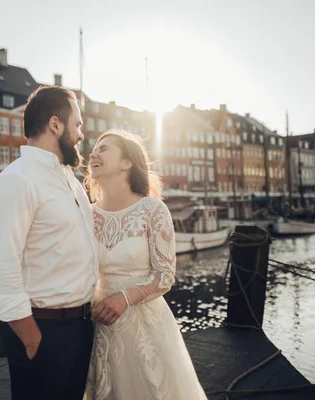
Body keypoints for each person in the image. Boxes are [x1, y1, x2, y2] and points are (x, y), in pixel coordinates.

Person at [0, 86, 99, 400]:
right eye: (77, 124)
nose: (81, 134)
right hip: (44, 331)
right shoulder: (16, 181)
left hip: (80, 327)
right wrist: (31, 337)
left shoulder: (70, 182)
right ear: (55, 125)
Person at [83, 130, 207, 400]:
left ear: (127, 163)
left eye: (103, 149)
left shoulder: (152, 210)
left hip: (144, 328)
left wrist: (124, 298)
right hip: (98, 324)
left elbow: (164, 277)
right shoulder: (86, 213)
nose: (93, 153)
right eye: (93, 149)